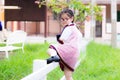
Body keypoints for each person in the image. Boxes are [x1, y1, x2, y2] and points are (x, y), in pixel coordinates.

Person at [46, 8, 83, 80]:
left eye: (66, 19)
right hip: (75, 54)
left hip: (69, 50)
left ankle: (54, 56)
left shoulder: (68, 28)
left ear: (72, 18)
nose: (64, 21)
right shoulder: (75, 28)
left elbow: (61, 40)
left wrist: (59, 39)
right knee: (68, 75)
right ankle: (55, 56)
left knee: (51, 47)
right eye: (62, 19)